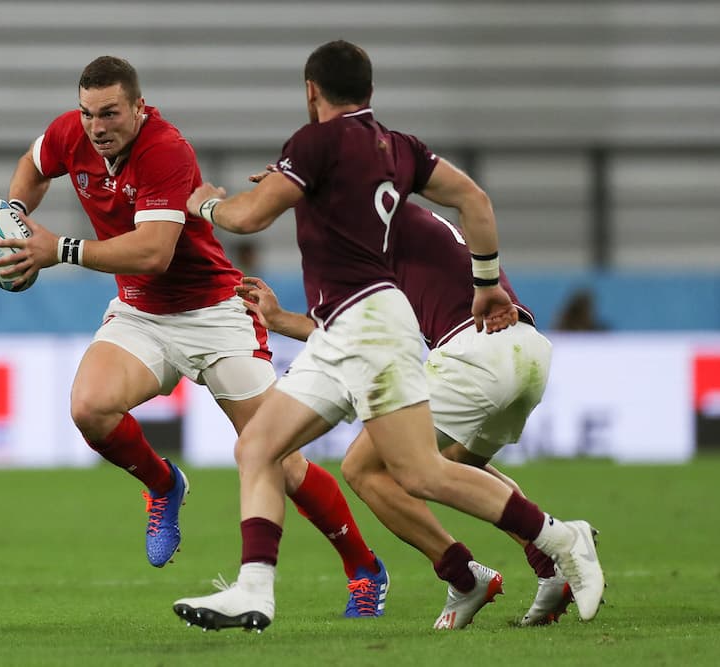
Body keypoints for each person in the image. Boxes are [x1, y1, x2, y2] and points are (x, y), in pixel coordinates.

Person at [172, 40, 605, 633]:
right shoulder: (398, 148)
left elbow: (248, 217)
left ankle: (559, 538)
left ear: (310, 91)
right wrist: (485, 282)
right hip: (344, 327)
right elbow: (473, 200)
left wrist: (206, 205)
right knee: (258, 447)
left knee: (420, 473)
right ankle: (254, 590)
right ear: (370, 93)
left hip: (370, 322)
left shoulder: (314, 142)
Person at [0, 55, 391, 616]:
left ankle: (364, 568)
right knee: (90, 408)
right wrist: (13, 213)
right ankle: (163, 484)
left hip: (214, 316)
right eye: (88, 114)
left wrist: (59, 248)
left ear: (138, 106)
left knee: (282, 461)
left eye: (110, 113)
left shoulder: (165, 150)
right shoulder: (71, 132)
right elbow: (31, 168)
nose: (96, 126)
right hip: (141, 314)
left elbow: (153, 253)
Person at [235, 201, 572, 628]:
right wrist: (282, 318)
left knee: (365, 468)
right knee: (454, 466)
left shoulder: (375, 232)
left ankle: (472, 573)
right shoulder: (408, 221)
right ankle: (550, 561)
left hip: (472, 351)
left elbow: (351, 332)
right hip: (522, 349)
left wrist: (215, 204)